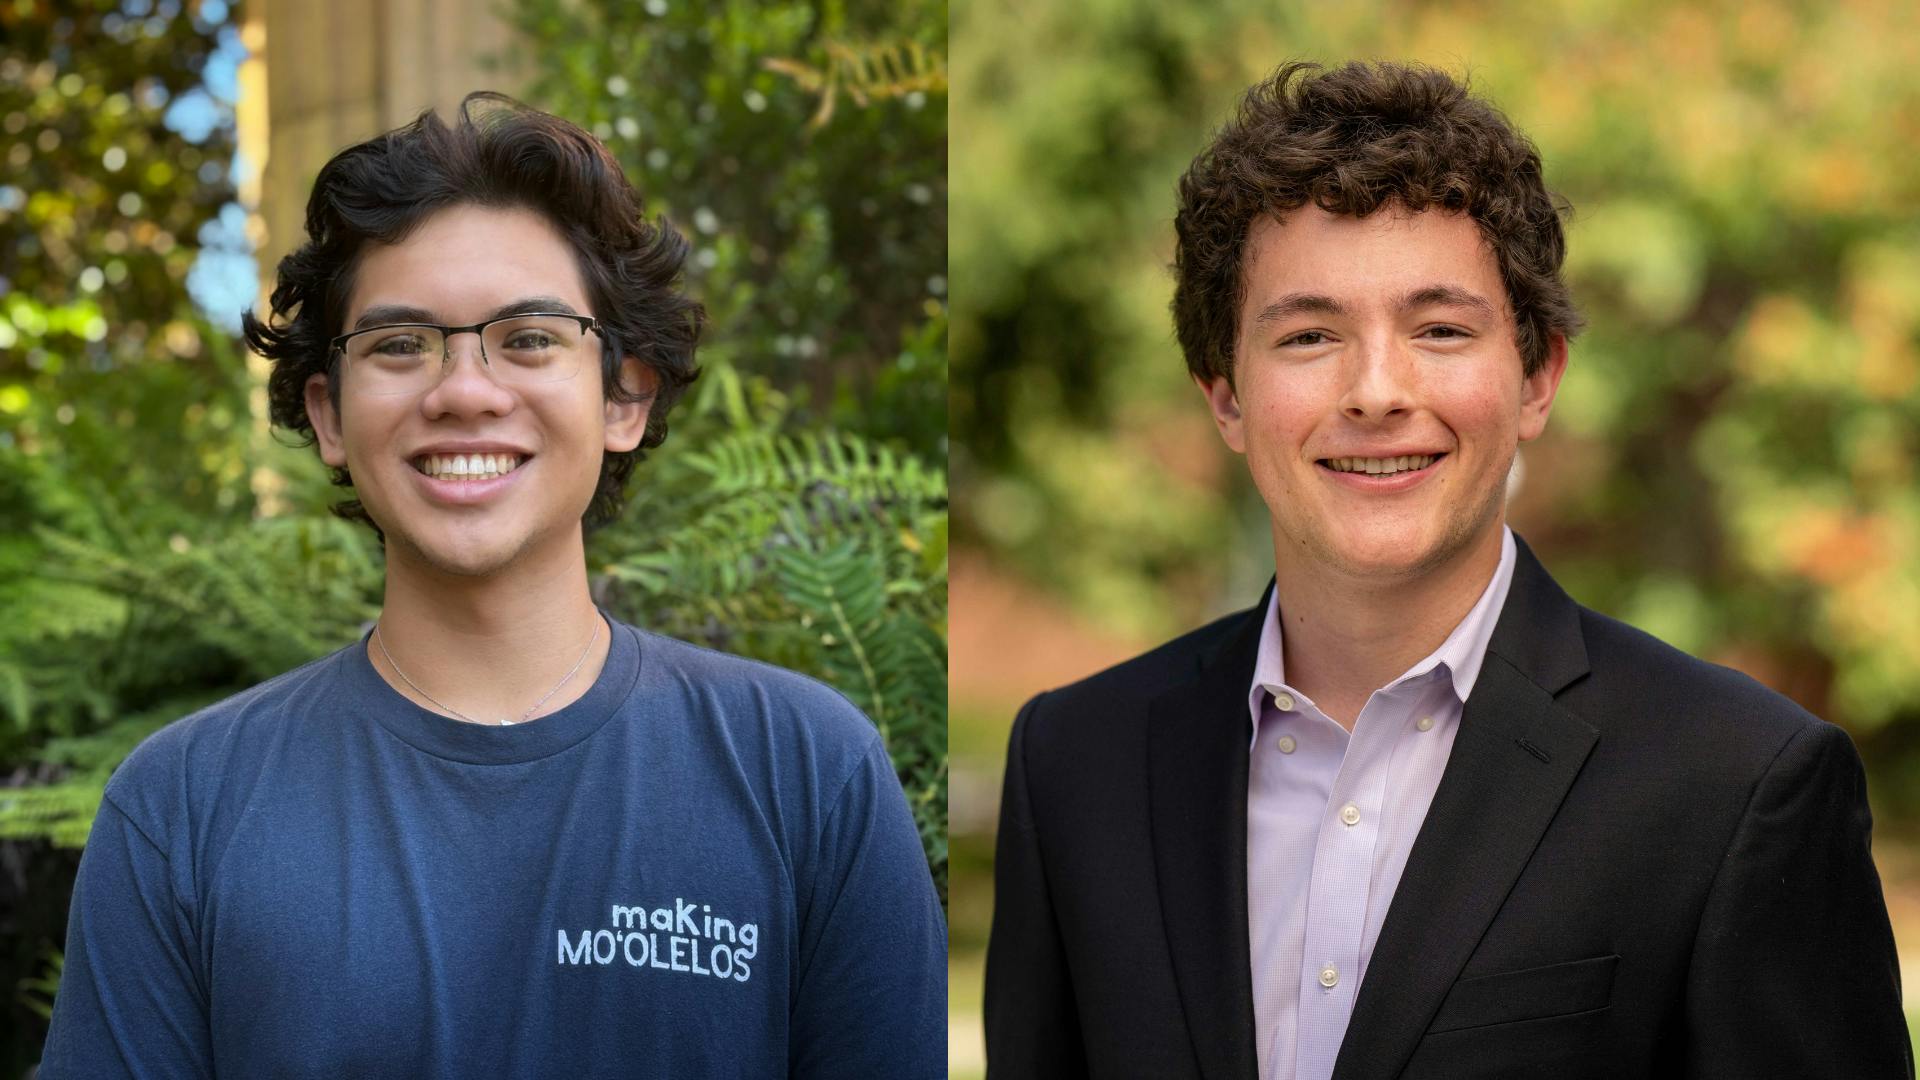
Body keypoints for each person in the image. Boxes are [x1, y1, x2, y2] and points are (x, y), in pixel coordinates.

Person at [984, 62, 1908, 1079]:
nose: (1377, 390)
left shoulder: (1737, 786)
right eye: (1309, 334)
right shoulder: (1073, 765)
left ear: (1536, 377)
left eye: (1440, 330)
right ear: (1226, 399)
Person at [41, 94, 945, 1079]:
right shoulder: (182, 810)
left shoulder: (807, 776)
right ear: (328, 415)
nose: (465, 391)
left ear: (625, 396)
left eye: (529, 338)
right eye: (398, 345)